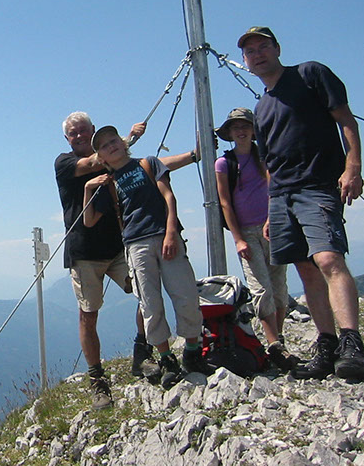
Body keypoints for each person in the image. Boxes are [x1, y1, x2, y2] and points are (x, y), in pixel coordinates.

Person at [238, 26, 364, 382]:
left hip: (318, 185)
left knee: (328, 259)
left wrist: (353, 167)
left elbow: (346, 120)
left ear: (277, 48)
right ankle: (327, 344)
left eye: (263, 47)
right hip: (282, 196)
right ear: (245, 62)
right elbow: (269, 164)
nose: (257, 54)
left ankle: (352, 345)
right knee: (306, 270)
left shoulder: (310, 74)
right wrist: (271, 209)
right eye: (250, 52)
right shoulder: (261, 109)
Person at [55, 112, 199, 408]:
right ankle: (97, 380)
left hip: (122, 244)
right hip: (84, 251)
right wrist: (129, 139)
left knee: (145, 296)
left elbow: (151, 167)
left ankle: (142, 353)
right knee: (89, 313)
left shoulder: (118, 165)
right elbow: (94, 163)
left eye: (84, 130)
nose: (79, 136)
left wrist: (193, 155)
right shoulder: (65, 163)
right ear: (66, 139)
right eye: (73, 133)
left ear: (92, 130)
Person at [83, 125, 213, 390]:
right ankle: (167, 360)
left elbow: (168, 197)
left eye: (114, 140)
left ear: (123, 142)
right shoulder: (109, 184)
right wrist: (88, 188)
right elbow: (88, 220)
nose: (111, 146)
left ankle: (192, 353)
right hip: (135, 245)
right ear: (101, 157)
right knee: (150, 305)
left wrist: (171, 232)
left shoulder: (148, 164)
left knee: (186, 296)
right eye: (104, 146)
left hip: (166, 236)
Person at [214, 107, 299, 371]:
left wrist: (275, 219)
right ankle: (274, 344)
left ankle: (278, 340)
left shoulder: (264, 156)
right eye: (235, 127)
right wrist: (238, 238)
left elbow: (275, 187)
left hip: (273, 227)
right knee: (261, 289)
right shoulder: (223, 164)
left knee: (279, 287)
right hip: (247, 232)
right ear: (229, 133)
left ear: (253, 130)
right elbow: (225, 203)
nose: (240, 131)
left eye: (245, 126)